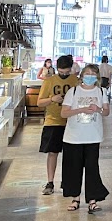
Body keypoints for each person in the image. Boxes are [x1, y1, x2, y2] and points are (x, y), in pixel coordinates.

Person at [60, 63, 110, 213]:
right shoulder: (73, 92)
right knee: (73, 169)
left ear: (97, 77)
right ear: (81, 76)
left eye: (93, 74)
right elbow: (64, 113)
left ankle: (93, 200)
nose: (90, 77)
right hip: (73, 137)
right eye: (87, 74)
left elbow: (106, 112)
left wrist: (98, 109)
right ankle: (75, 198)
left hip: (93, 137)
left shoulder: (101, 91)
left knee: (92, 168)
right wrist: (81, 109)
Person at [36, 55, 80, 195]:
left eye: (66, 72)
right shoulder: (49, 81)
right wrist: (51, 99)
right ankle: (50, 182)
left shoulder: (76, 81)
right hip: (53, 121)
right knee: (52, 152)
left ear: (71, 69)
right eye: (61, 72)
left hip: (71, 121)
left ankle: (67, 182)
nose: (63, 75)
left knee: (71, 154)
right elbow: (39, 102)